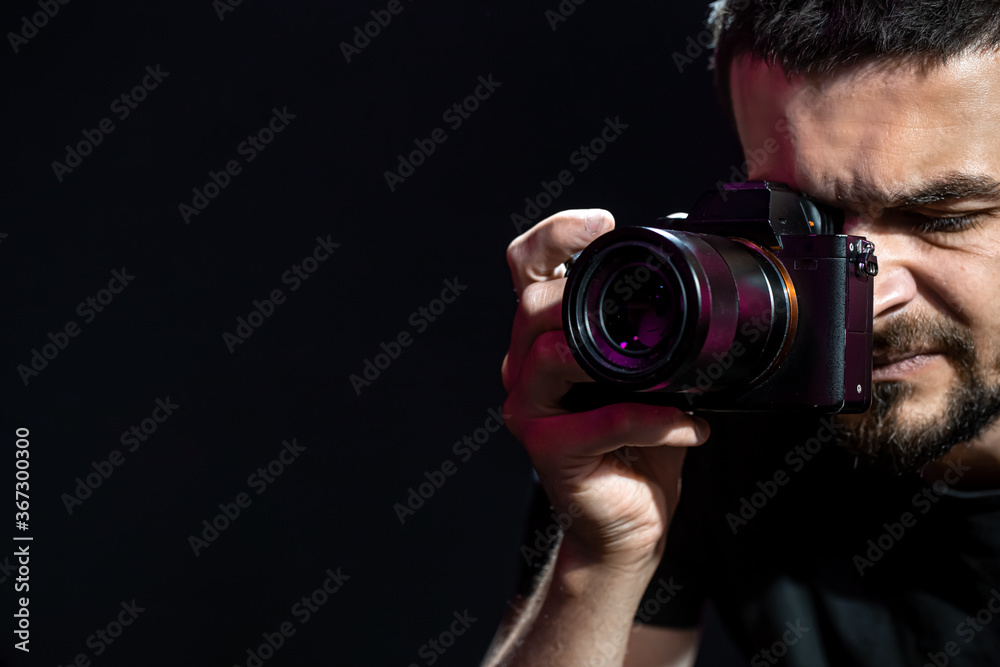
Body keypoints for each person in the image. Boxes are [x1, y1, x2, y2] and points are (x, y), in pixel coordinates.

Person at [483, 1, 1000, 665]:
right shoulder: (706, 402)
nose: (868, 297)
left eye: (942, 217)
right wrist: (601, 559)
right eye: (803, 219)